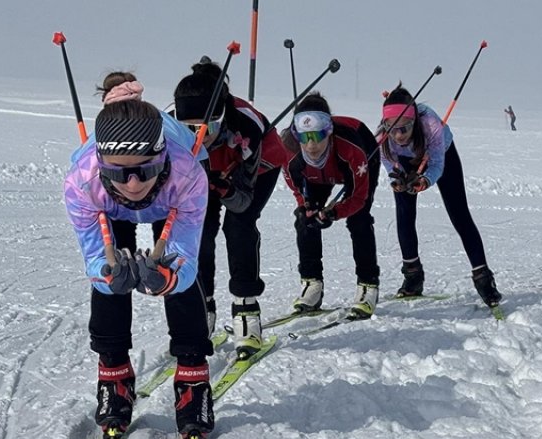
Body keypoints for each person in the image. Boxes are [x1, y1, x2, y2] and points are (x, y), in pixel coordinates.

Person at [63, 72, 214, 439]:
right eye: (120, 172)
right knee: (114, 275)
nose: (133, 184)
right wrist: (107, 275)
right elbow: (94, 259)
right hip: (107, 202)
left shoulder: (188, 174)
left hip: (171, 193)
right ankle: (113, 373)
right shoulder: (82, 182)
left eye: (144, 169)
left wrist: (170, 278)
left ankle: (193, 377)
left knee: (175, 277)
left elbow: (186, 256)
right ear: (101, 164)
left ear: (161, 157)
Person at [172, 59, 289, 355]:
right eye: (190, 129)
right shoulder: (169, 128)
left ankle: (246, 309)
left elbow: (242, 201)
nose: (200, 136)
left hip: (256, 168)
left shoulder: (247, 126)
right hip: (203, 171)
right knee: (199, 230)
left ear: (222, 117)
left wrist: (226, 187)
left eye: (208, 127)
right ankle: (203, 306)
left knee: (239, 226)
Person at [379, 86, 503, 307]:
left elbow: (437, 165)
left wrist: (424, 181)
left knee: (459, 214)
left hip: (441, 154)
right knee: (404, 213)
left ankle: (484, 279)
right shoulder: (382, 137)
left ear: (414, 122)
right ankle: (412, 277)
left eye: (404, 128)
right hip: (406, 161)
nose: (398, 135)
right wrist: (396, 179)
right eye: (392, 128)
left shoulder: (431, 126)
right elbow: (389, 161)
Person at [281, 93, 381, 320]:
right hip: (316, 176)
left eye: (318, 136)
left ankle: (368, 284)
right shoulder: (288, 151)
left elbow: (358, 198)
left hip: (356, 162)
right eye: (304, 137)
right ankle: (311, 284)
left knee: (359, 219)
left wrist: (334, 212)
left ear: (329, 131)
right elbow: (298, 191)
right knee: (305, 220)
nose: (311, 145)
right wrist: (307, 207)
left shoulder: (351, 149)